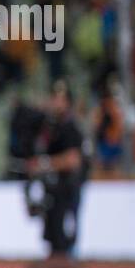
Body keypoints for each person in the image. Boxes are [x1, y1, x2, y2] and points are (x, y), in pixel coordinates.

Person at [29, 81, 88, 255]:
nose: (55, 102)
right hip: (53, 191)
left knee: (64, 239)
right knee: (53, 238)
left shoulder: (70, 127)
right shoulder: (50, 127)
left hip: (67, 190)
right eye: (54, 98)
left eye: (59, 99)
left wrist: (45, 164)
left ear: (68, 102)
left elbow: (73, 160)